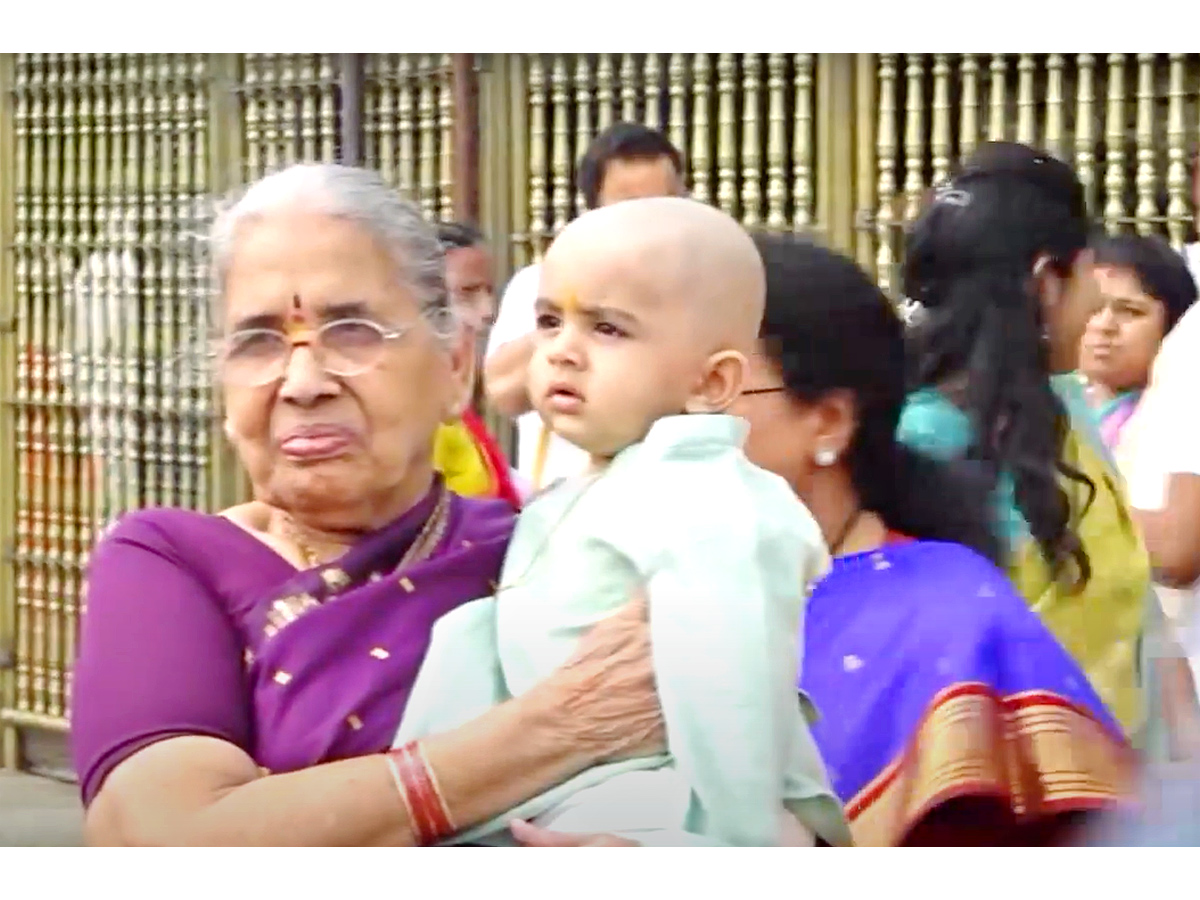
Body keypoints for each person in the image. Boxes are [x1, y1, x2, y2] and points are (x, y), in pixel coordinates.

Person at [68, 163, 666, 847]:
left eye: (351, 330)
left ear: (455, 369)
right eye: (258, 341)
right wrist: (551, 731)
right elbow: (165, 840)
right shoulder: (172, 560)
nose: (302, 381)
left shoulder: (546, 553)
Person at [394, 198, 847, 847]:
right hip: (558, 791)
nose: (562, 353)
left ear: (712, 381)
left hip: (667, 806)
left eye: (607, 329)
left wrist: (740, 847)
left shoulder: (707, 493)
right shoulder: (584, 489)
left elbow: (732, 683)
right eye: (549, 322)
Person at [733, 232, 1136, 846]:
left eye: (713, 384)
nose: (663, 420)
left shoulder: (951, 623)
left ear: (829, 421)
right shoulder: (619, 596)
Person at [896, 141, 1188, 760]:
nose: (1098, 312)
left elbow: (1139, 618)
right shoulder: (920, 444)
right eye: (1091, 279)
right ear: (1046, 281)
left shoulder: (1059, 405)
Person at [484, 122, 687, 492]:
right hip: (566, 512)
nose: (652, 224)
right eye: (631, 210)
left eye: (667, 205)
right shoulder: (540, 282)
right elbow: (503, 393)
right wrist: (580, 305)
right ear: (594, 211)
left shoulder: (704, 287)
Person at [1077, 233, 1197, 453]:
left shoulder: (1179, 425)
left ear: (1173, 326)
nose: (1104, 325)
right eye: (1093, 307)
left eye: (1130, 311)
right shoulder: (1049, 406)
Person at [431, 221, 521, 507]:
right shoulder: (412, 414)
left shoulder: (457, 403)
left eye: (489, 292)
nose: (487, 312)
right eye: (467, 293)